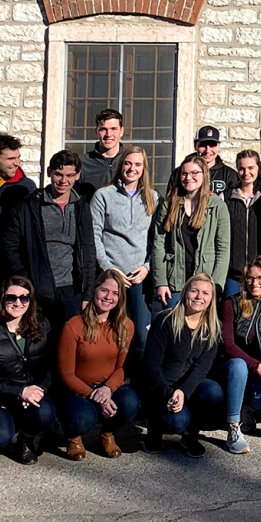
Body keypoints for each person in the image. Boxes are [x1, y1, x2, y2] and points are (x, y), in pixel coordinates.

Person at [1, 150, 99, 330]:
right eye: (58, 174)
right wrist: (27, 281)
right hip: (37, 290)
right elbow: (9, 249)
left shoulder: (81, 207)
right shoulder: (27, 207)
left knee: (68, 345)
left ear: (77, 175)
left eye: (70, 175)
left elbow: (88, 250)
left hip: (72, 290)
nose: (63, 181)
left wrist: (87, 294)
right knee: (39, 346)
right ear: (49, 172)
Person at [0, 276, 58, 466]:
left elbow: (51, 367)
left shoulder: (42, 325)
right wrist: (20, 392)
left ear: (30, 300)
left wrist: (37, 390)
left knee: (45, 414)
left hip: (31, 392)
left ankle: (25, 440)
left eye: (24, 298)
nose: (18, 303)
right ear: (1, 299)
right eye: (11, 298)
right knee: (0, 436)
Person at [56, 269, 140, 461]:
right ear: (94, 291)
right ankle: (74, 437)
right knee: (82, 418)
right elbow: (66, 374)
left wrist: (108, 390)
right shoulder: (73, 325)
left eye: (115, 293)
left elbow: (121, 368)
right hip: (78, 390)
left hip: (107, 387)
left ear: (121, 298)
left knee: (131, 401)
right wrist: (95, 395)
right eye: (104, 290)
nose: (108, 297)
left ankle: (107, 434)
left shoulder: (126, 325)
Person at [90, 145, 157, 366]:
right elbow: (94, 235)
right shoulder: (103, 196)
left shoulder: (152, 198)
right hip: (111, 275)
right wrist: (108, 267)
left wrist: (147, 266)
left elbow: (156, 239)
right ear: (121, 166)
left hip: (138, 277)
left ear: (144, 168)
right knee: (109, 333)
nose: (132, 168)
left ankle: (134, 383)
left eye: (138, 164)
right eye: (128, 163)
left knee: (140, 335)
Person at [142, 273, 222, 457]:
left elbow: (202, 368)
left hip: (188, 388)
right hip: (161, 388)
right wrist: (169, 393)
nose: (199, 297)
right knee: (176, 422)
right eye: (194, 291)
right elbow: (151, 364)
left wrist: (183, 392)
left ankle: (191, 435)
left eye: (205, 293)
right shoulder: (165, 320)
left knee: (213, 392)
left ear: (211, 299)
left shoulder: (213, 328)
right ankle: (154, 429)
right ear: (185, 292)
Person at [218, 256, 261, 454]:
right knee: (238, 364)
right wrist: (257, 365)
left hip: (259, 370)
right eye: (250, 278)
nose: (255, 283)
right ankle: (233, 427)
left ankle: (247, 405)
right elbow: (228, 344)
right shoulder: (232, 303)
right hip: (230, 367)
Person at [151, 153, 231, 305]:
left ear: (204, 175)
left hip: (204, 281)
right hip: (174, 279)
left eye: (194, 173)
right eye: (184, 173)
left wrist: (216, 285)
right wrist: (160, 281)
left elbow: (223, 249)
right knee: (172, 326)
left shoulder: (217, 206)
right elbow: (159, 243)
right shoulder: (169, 204)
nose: (188, 178)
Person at [225, 149, 261, 300]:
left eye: (251, 168)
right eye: (241, 168)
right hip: (233, 274)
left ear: (258, 168)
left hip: (260, 275)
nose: (246, 172)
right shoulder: (226, 197)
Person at [80, 109, 125, 192]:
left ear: (121, 131)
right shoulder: (83, 163)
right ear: (96, 132)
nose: (108, 134)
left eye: (113, 129)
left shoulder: (130, 161)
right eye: (103, 129)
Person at [193, 126, 242, 197]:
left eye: (212, 145)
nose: (207, 150)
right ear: (195, 146)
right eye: (203, 145)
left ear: (219, 146)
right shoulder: (181, 174)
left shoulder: (230, 175)